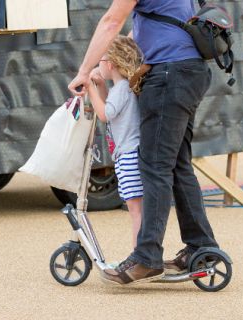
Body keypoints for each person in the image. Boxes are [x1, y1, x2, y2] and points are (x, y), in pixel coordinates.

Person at [68, 0, 219, 285]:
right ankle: (201, 246)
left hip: (168, 75)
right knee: (177, 165)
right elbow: (138, 32)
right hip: (189, 71)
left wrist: (85, 70)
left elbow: (112, 21)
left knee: (155, 166)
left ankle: (147, 257)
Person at [88, 36, 144, 248]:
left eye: (100, 59)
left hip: (128, 154)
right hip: (128, 153)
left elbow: (104, 114)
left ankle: (138, 253)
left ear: (110, 64)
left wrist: (90, 88)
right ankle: (140, 252)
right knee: (137, 210)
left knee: (136, 211)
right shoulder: (121, 87)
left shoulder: (122, 89)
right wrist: (100, 86)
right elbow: (111, 106)